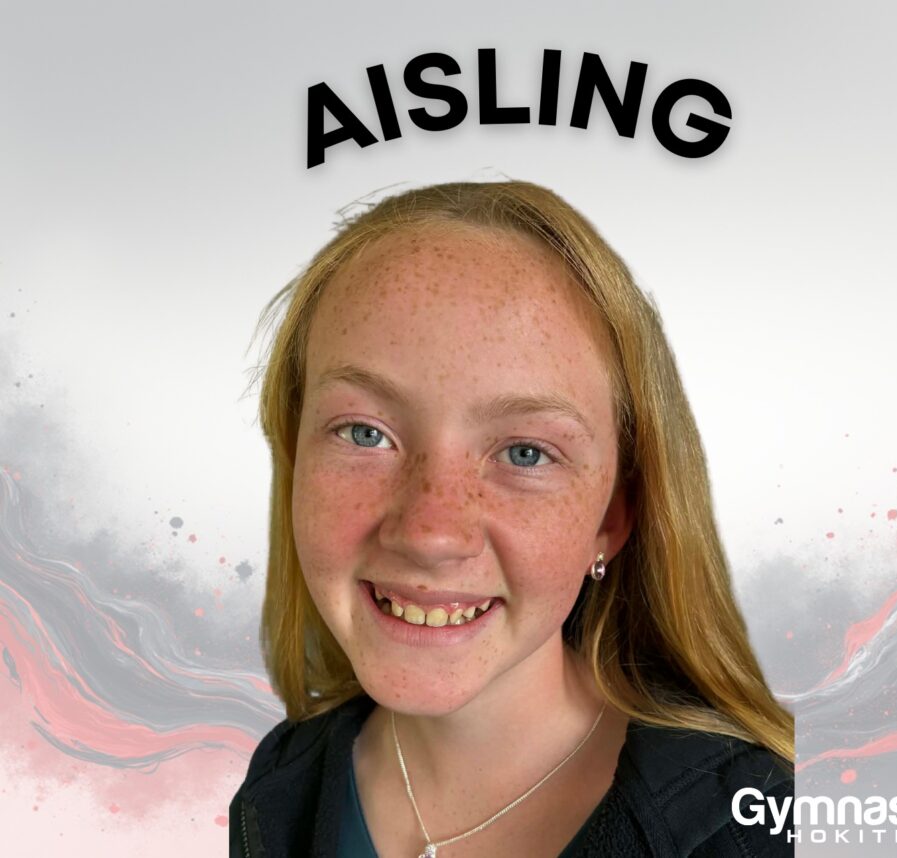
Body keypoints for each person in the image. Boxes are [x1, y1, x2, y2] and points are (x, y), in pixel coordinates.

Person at [228, 180, 795, 858]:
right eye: (363, 433)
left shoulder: (753, 828)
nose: (430, 533)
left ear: (613, 518)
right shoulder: (279, 788)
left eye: (525, 452)